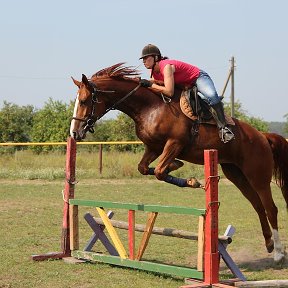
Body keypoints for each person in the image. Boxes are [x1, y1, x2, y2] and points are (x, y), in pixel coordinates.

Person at [139, 44, 235, 143]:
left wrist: (150, 85)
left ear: (155, 57)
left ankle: (224, 128)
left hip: (198, 78)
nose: (144, 61)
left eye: (146, 58)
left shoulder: (166, 67)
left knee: (212, 97)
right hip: (184, 84)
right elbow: (157, 85)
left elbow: (169, 92)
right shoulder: (153, 71)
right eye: (143, 59)